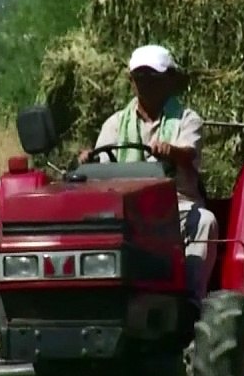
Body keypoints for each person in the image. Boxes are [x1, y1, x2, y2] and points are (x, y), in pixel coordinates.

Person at [79, 45, 219, 306]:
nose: (145, 85)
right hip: (126, 209)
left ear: (170, 80)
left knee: (205, 222)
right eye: (139, 78)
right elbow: (99, 164)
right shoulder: (115, 123)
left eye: (153, 78)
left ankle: (191, 302)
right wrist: (88, 160)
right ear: (131, 82)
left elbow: (189, 152)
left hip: (176, 206)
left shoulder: (187, 120)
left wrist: (172, 152)